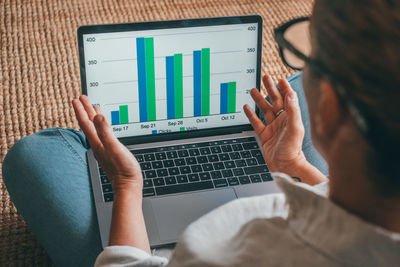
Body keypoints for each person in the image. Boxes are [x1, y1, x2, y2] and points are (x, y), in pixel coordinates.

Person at [3, 0, 400, 266]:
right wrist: (294, 164)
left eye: (312, 56)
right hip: (318, 174)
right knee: (291, 90)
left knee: (37, 153)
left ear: (329, 110)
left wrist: (126, 183)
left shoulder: (216, 242)